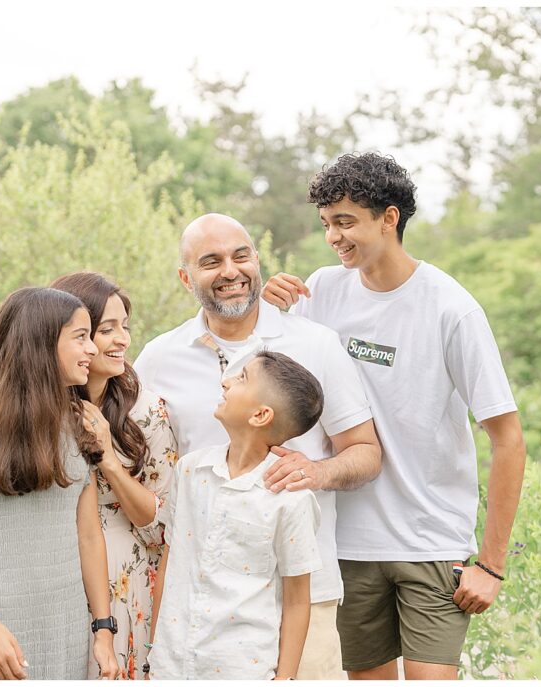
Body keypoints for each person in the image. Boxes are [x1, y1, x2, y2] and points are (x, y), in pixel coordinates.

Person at [262, 152, 527, 680]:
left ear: (389, 217)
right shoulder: (322, 291)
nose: (333, 237)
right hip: (348, 544)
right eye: (326, 224)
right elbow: (274, 378)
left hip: (430, 541)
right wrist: (268, 307)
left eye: (345, 222)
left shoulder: (452, 309)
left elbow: (509, 438)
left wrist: (492, 565)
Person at [133, 213, 382, 680]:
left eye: (241, 255)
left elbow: (366, 451)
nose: (230, 271)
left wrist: (316, 472)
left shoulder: (317, 343)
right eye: (211, 261)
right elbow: (102, 423)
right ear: (186, 277)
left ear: (257, 260)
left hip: (302, 594)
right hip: (198, 606)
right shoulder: (159, 358)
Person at [0, 272, 178, 679]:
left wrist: (103, 629)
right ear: (44, 339)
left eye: (120, 328)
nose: (114, 342)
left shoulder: (103, 423)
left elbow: (115, 531)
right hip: (6, 604)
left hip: (92, 600)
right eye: (92, 333)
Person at [0, 286, 120, 680]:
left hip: (67, 625)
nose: (92, 349)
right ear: (41, 343)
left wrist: (103, 630)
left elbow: (88, 536)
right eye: (80, 337)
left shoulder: (80, 426)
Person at [148, 351, 324, 679]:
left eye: (242, 378)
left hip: (241, 670)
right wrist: (152, 652)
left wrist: (285, 680)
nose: (225, 381)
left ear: (260, 414)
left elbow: (298, 600)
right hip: (170, 666)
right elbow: (170, 562)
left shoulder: (291, 498)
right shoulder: (190, 471)